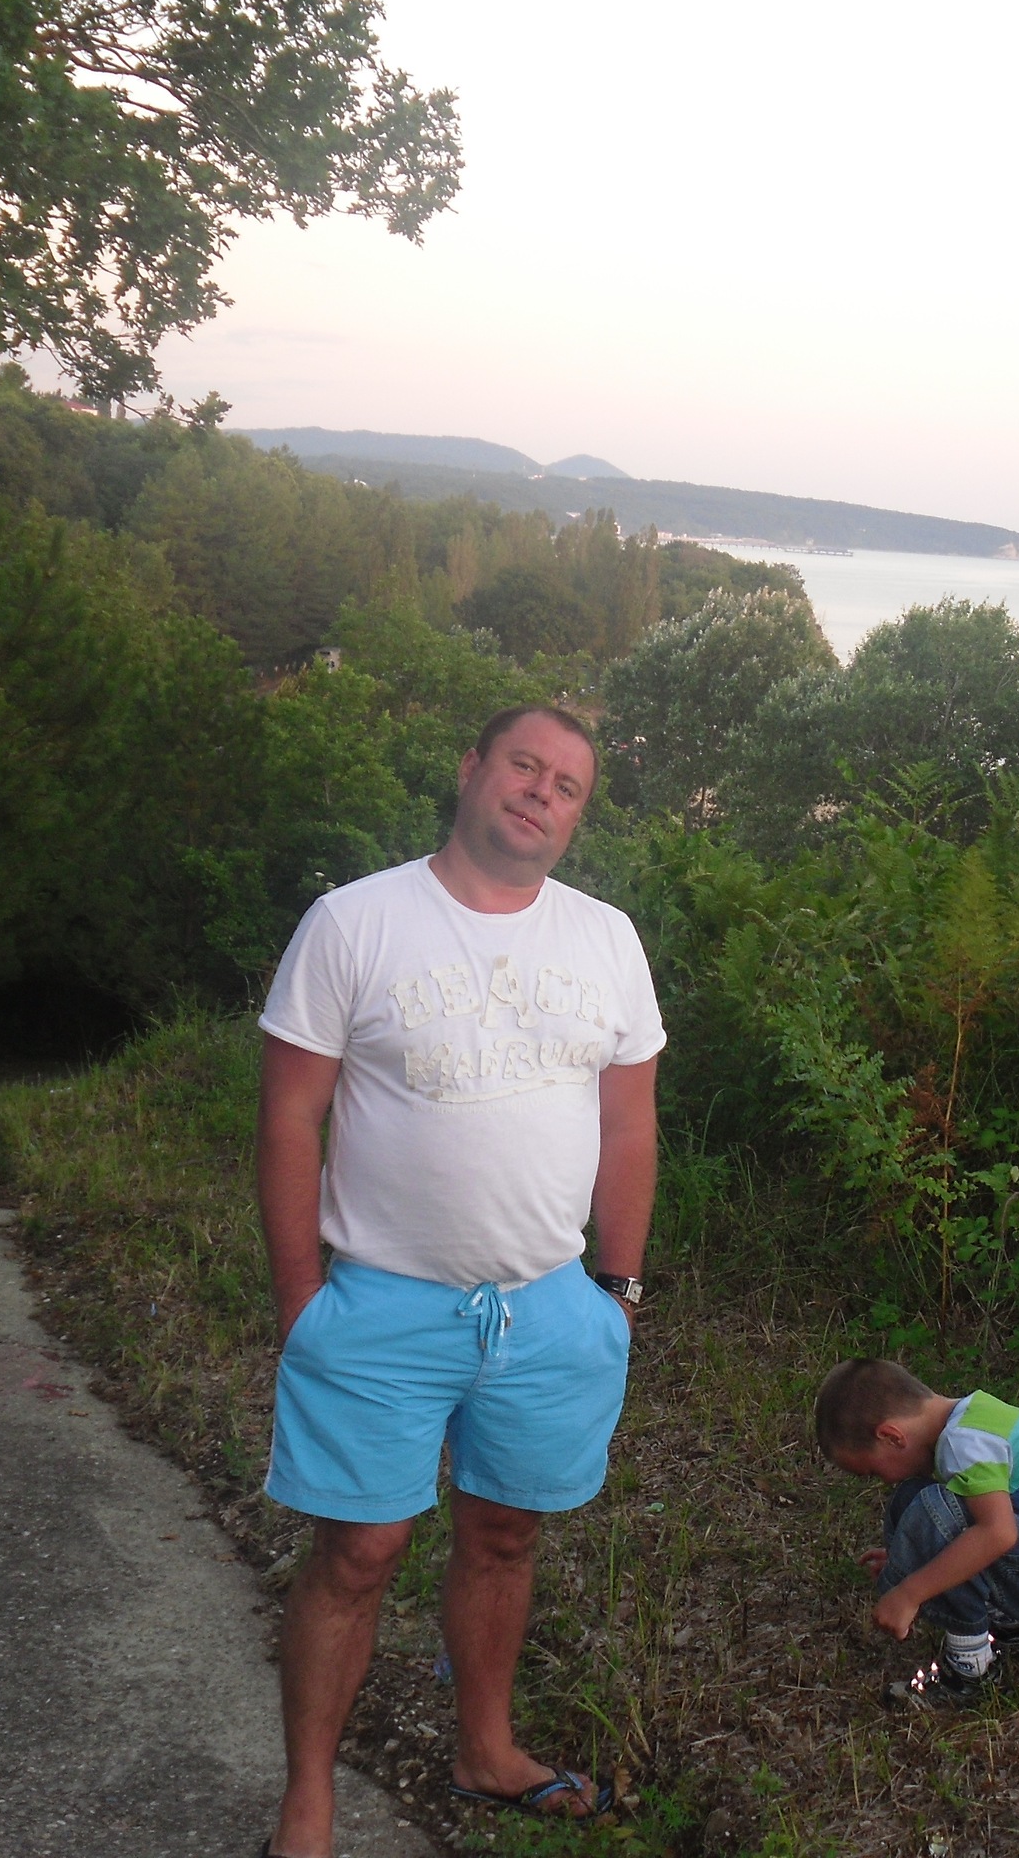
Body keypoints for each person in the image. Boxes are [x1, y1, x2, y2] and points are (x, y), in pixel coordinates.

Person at [254, 704, 662, 1858]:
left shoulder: (606, 939)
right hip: (381, 1301)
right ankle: (307, 1805)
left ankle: (486, 1752)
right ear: (473, 768)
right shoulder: (355, 922)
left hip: (550, 1306)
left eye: (567, 786)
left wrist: (618, 1291)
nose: (541, 793)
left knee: (504, 1535)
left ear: (577, 817)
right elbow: (289, 1118)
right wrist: (301, 1301)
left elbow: (629, 1128)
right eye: (524, 766)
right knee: (359, 1551)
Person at [814, 1357, 1019, 1709]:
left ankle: (969, 1673)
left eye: (874, 1472)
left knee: (936, 1510)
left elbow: (998, 1534)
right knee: (913, 1501)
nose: (885, 1481)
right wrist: (911, 1549)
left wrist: (909, 1592)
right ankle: (1014, 1628)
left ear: (891, 1436)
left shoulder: (963, 1442)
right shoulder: (971, 1419)